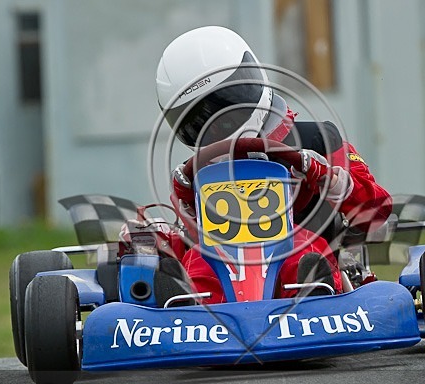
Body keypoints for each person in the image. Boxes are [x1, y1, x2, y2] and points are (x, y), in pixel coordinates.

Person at [155, 26, 391, 304]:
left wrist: (340, 185)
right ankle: (186, 308)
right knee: (197, 261)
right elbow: (191, 231)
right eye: (198, 120)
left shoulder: (318, 141)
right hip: (222, 259)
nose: (216, 125)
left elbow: (377, 211)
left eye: (224, 107)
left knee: (303, 253)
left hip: (299, 247)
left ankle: (314, 299)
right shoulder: (196, 172)